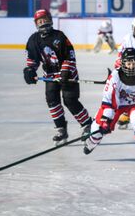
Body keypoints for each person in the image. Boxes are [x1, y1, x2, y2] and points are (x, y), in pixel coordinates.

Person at [23, 9, 93, 145]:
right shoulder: (33, 40)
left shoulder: (59, 36)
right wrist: (30, 70)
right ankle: (61, 129)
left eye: (45, 20)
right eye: (40, 21)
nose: (43, 23)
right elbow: (32, 59)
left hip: (68, 74)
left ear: (50, 20)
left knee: (70, 100)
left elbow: (70, 56)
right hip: (50, 76)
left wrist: (65, 71)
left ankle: (87, 124)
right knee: (52, 101)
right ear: (36, 24)